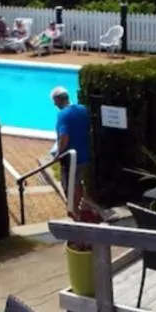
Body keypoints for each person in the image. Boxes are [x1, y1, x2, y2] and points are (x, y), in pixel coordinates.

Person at [51, 86, 90, 215]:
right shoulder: (83, 109)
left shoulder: (63, 115)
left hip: (71, 159)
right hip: (85, 155)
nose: (54, 104)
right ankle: (80, 206)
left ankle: (74, 212)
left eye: (54, 101)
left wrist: (58, 154)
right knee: (78, 182)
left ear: (57, 100)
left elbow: (64, 138)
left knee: (68, 186)